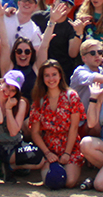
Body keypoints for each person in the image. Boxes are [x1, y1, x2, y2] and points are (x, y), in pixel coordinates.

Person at [29, 60, 86, 189]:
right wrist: (47, 153)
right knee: (52, 182)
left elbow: (74, 127)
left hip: (70, 148)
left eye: (54, 74)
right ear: (42, 78)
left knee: (69, 182)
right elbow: (35, 132)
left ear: (60, 76)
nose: (51, 79)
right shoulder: (40, 100)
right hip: (49, 149)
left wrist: (67, 153)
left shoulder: (71, 96)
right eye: (47, 75)